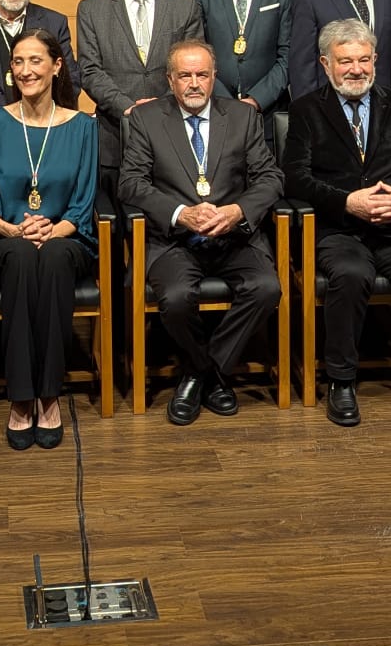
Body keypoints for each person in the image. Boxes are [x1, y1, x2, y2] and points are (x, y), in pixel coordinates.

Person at [283, 19, 391, 430]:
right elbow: (294, 177)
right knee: (350, 274)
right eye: (345, 62)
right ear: (326, 64)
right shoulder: (306, 110)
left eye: (364, 60)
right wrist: (347, 202)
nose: (356, 69)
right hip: (339, 229)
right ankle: (341, 381)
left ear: (375, 60)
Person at [119, 41, 283, 425]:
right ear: (170, 80)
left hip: (233, 235)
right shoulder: (147, 119)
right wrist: (180, 214)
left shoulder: (242, 116)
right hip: (175, 240)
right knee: (175, 298)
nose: (194, 84)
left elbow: (271, 178)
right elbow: (130, 183)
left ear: (214, 77)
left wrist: (236, 210)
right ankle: (212, 374)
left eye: (202, 75)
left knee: (267, 289)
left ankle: (200, 373)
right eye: (185, 76)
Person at [0, 30, 99, 451]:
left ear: (57, 66)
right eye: (18, 62)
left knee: (55, 256)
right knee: (22, 255)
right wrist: (16, 229)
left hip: (64, 238)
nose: (26, 70)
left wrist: (55, 229)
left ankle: (49, 394)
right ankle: (21, 399)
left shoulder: (82, 126)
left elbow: (83, 201)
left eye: (36, 61)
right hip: (2, 241)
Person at [74, 0, 203, 186]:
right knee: (118, 221)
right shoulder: (91, 8)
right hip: (114, 137)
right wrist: (128, 108)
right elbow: (89, 71)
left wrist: (160, 107)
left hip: (174, 132)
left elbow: (194, 69)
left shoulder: (185, 5)